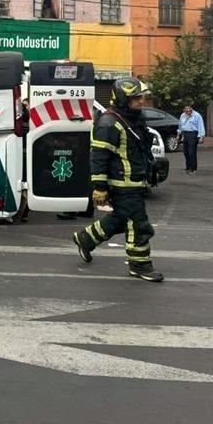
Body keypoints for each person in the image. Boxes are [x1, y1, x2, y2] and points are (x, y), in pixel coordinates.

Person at [72, 77, 163, 282]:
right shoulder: (108, 123)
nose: (141, 102)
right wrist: (100, 188)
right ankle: (140, 265)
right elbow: (99, 157)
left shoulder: (133, 118)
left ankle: (85, 239)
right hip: (122, 185)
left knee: (121, 219)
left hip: (134, 182)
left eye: (142, 97)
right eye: (136, 98)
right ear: (122, 98)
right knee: (138, 224)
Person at [177, 103, 205, 175]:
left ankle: (193, 168)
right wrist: (178, 135)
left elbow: (200, 126)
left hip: (193, 134)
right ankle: (188, 167)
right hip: (185, 134)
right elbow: (180, 126)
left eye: (189, 108)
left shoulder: (197, 115)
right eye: (186, 109)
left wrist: (201, 136)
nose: (188, 110)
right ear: (184, 109)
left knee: (192, 152)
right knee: (185, 152)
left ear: (191, 108)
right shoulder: (182, 115)